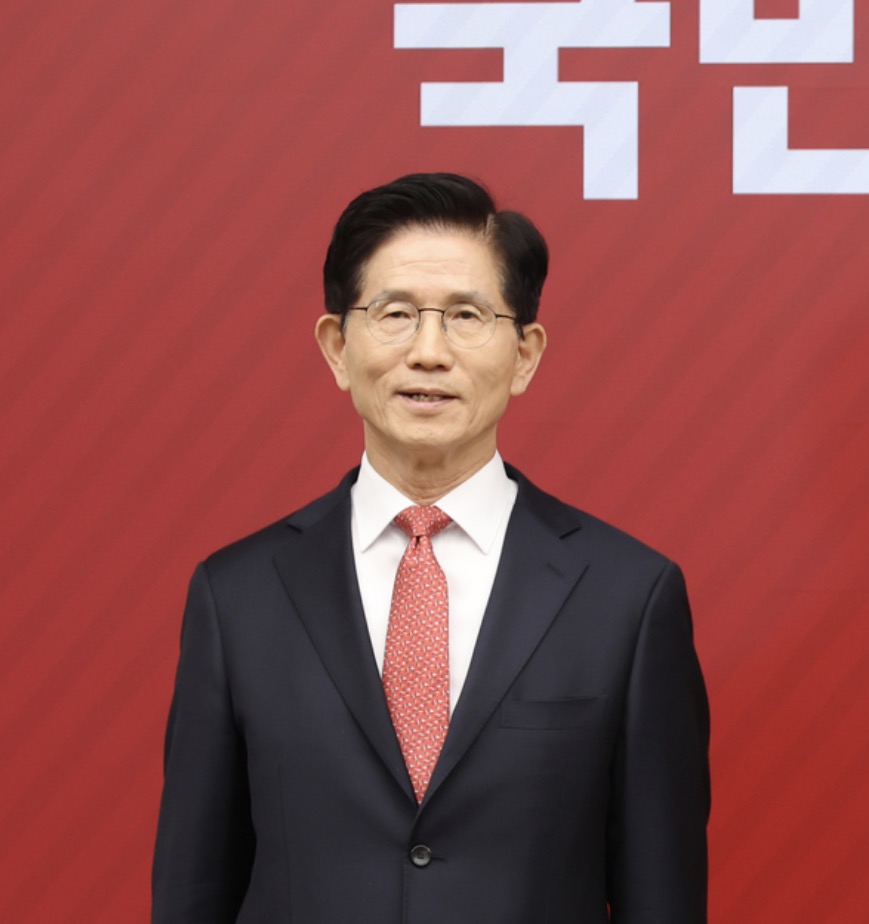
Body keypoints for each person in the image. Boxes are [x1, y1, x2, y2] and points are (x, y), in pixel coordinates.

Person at [152, 173, 709, 923]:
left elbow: (661, 896)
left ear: (525, 355)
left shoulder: (628, 598)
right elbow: (192, 892)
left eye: (466, 316)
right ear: (337, 347)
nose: (429, 351)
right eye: (396, 315)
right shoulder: (237, 597)